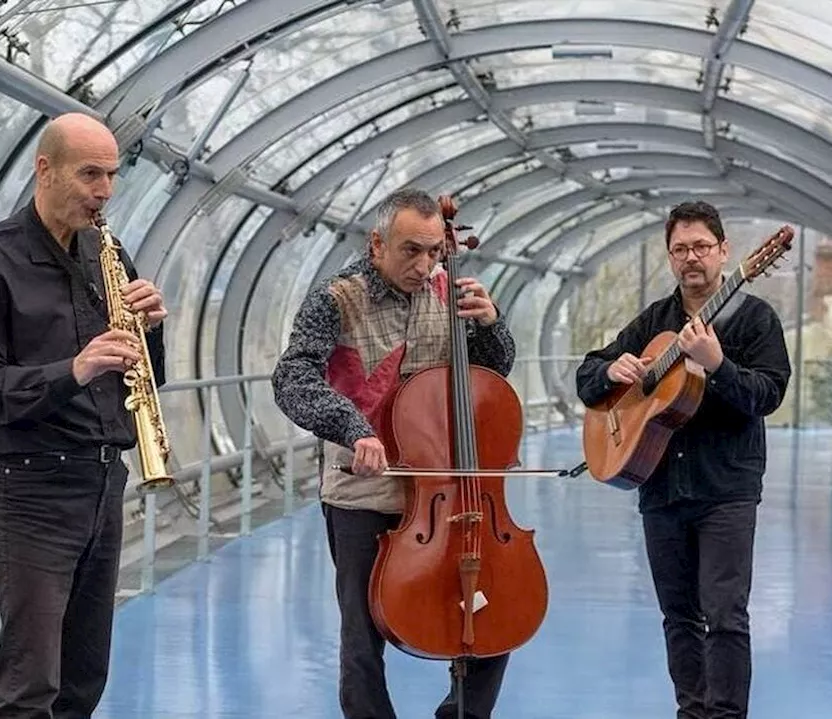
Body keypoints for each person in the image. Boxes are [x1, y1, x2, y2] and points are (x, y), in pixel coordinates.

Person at [0, 112, 168, 719]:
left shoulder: (108, 251)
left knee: (84, 676)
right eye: (90, 174)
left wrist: (151, 330)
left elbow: (145, 377)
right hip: (34, 486)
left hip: (104, 479)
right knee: (29, 684)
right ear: (45, 169)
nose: (104, 191)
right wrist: (74, 368)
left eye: (112, 176)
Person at [271, 187, 517, 719]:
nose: (426, 265)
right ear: (377, 243)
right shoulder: (335, 298)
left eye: (434, 251)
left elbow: (493, 378)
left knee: (493, 617)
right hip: (362, 490)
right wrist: (351, 426)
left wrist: (491, 324)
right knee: (362, 637)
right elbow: (292, 376)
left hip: (452, 494)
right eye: (412, 251)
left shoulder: (452, 293)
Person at [574, 200, 791, 719]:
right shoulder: (656, 320)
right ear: (670, 257)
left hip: (726, 489)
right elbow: (587, 374)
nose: (691, 258)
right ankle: (691, 711)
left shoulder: (756, 318)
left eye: (700, 247)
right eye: (680, 249)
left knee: (726, 615)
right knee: (678, 615)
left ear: (725, 251)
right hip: (662, 485)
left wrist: (718, 365)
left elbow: (769, 394)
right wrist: (611, 372)